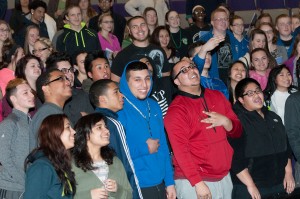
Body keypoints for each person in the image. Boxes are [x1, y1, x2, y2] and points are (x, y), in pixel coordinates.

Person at [164, 59, 242, 199]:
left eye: (192, 66)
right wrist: (197, 183)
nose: (191, 70)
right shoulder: (176, 110)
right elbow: (180, 151)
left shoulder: (217, 96)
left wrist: (225, 121)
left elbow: (238, 132)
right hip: (194, 181)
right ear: (176, 82)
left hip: (224, 176)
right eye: (184, 70)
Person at [118, 61, 176, 199]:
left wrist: (170, 182)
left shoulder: (154, 105)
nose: (144, 85)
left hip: (161, 182)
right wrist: (144, 149)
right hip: (135, 185)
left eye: (147, 78)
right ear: (126, 82)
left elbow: (163, 146)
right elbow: (115, 154)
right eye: (137, 80)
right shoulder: (119, 110)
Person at [231, 78, 295, 198]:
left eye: (258, 90)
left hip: (278, 184)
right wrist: (250, 185)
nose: (256, 95)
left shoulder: (273, 117)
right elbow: (235, 160)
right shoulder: (237, 121)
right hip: (251, 187)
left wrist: (289, 173)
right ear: (241, 100)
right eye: (250, 93)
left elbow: (285, 149)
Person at [89, 79, 143, 198]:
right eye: (116, 92)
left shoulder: (90, 124)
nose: (121, 95)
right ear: (103, 99)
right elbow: (126, 163)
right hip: (117, 189)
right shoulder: (113, 124)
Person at [73, 113, 133, 198]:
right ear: (86, 134)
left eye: (106, 127)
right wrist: (88, 196)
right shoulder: (72, 165)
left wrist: (118, 190)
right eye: (99, 127)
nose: (107, 131)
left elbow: (129, 195)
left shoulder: (115, 162)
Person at [24, 114, 76, 199]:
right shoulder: (42, 167)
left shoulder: (60, 165)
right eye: (68, 127)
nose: (74, 131)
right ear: (55, 132)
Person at [0, 78, 35, 199]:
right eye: (25, 93)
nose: (31, 95)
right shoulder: (9, 123)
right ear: (13, 99)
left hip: (26, 184)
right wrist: (23, 180)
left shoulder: (30, 122)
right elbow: (4, 157)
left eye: (31, 91)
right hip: (12, 187)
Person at [111, 16, 171, 82]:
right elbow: (115, 83)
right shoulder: (122, 55)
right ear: (130, 31)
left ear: (148, 27)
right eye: (135, 27)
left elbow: (166, 77)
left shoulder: (159, 51)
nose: (140, 29)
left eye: (143, 25)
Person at [46, 51, 94, 126]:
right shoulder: (48, 99)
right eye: (64, 71)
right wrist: (79, 117)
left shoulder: (84, 96)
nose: (70, 74)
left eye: (71, 70)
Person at [30, 68, 72, 150]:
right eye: (60, 79)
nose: (68, 82)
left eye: (67, 79)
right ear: (46, 89)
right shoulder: (47, 115)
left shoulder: (52, 112)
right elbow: (50, 152)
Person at [2, 54, 42, 119]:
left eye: (39, 66)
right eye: (33, 66)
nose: (37, 68)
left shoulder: (43, 90)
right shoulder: (15, 89)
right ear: (23, 69)